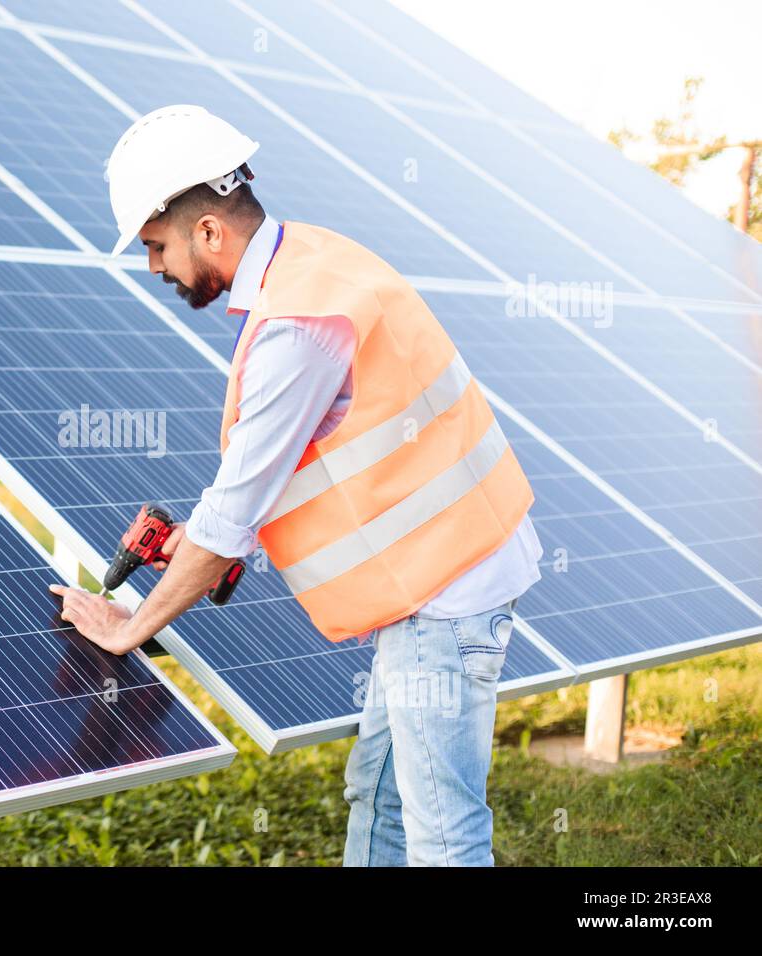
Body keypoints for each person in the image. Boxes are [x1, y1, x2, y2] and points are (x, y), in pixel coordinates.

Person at [49, 104, 543, 866]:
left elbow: (234, 511)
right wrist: (204, 541)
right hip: (446, 576)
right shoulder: (315, 257)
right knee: (375, 796)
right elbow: (331, 453)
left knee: (442, 831)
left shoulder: (297, 322)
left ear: (209, 230)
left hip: (442, 602)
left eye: (156, 246)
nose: (155, 268)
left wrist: (129, 625)